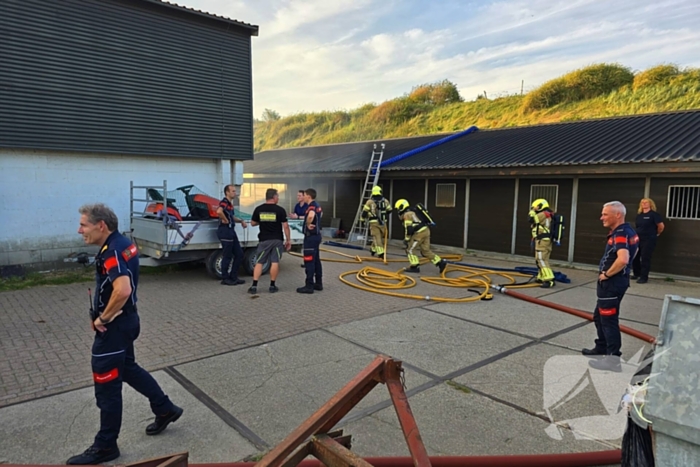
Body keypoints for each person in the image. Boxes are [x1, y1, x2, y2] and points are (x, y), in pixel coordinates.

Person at [68, 204, 183, 465]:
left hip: (115, 328)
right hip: (128, 322)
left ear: (101, 226)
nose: (79, 230)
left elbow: (123, 289)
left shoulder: (113, 251)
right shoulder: (123, 243)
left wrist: (103, 318)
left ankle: (106, 445)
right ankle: (165, 409)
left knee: (107, 386)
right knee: (128, 368)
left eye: (84, 225)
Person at [583, 201, 639, 372]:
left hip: (611, 284)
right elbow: (635, 251)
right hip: (615, 283)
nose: (602, 218)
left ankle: (613, 360)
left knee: (608, 321)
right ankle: (601, 347)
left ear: (618, 215)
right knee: (599, 316)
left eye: (605, 214)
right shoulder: (628, 232)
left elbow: (623, 259)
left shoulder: (620, 234)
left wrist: (607, 274)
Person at [248, 188, 292, 294]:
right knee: (275, 261)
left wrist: (263, 221)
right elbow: (286, 226)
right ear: (274, 197)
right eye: (278, 196)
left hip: (264, 240)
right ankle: (272, 286)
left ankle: (254, 286)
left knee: (259, 262)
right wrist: (288, 240)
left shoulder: (259, 209)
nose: (278, 198)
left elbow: (253, 223)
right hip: (277, 239)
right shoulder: (280, 210)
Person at [394, 199, 446, 274]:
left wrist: (406, 239)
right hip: (426, 231)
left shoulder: (407, 215)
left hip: (419, 233)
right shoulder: (413, 211)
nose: (398, 210)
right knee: (425, 251)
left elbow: (408, 229)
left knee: (410, 250)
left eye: (398, 208)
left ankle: (414, 266)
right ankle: (440, 263)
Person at [216, 184, 247, 285]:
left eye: (235, 191)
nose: (235, 193)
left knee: (239, 254)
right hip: (225, 231)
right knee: (227, 255)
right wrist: (225, 220)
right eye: (233, 191)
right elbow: (219, 211)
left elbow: (231, 217)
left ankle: (234, 277)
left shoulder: (230, 204)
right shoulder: (224, 202)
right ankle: (225, 278)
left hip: (231, 231)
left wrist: (240, 221)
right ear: (227, 192)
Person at [632, 197, 664, 284]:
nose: (644, 204)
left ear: (650, 204)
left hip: (649, 239)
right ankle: (636, 273)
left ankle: (644, 277)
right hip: (638, 238)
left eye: (646, 202)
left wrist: (656, 233)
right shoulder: (639, 215)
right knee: (635, 256)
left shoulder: (654, 215)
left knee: (645, 257)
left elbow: (661, 226)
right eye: (642, 202)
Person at [297, 188, 323, 293]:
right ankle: (318, 283)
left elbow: (311, 216)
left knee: (309, 261)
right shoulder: (317, 206)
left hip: (310, 237)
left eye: (304, 195)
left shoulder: (311, 206)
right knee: (316, 260)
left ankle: (309, 286)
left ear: (308, 196)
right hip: (316, 236)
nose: (303, 197)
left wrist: (308, 224)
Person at [529, 198, 556, 288]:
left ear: (541, 206)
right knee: (541, 259)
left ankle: (549, 279)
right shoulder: (548, 214)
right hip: (545, 241)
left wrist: (532, 211)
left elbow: (531, 219)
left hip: (542, 241)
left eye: (536, 207)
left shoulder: (542, 214)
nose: (535, 208)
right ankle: (541, 277)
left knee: (541, 259)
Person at [362, 185, 392, 261]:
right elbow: (390, 210)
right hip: (383, 223)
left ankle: (381, 253)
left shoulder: (369, 202)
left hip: (373, 222)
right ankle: (373, 249)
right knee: (379, 237)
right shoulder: (385, 201)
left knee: (377, 237)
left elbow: (364, 212)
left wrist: (362, 219)